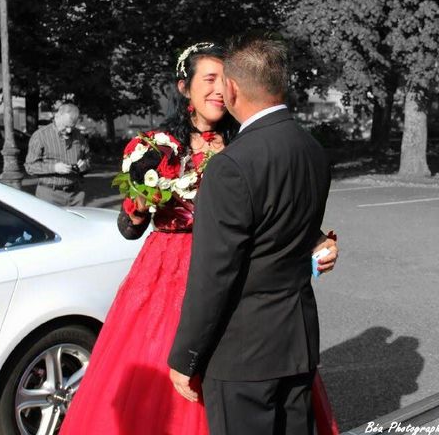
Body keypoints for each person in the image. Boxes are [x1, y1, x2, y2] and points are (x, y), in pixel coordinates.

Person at [60, 42, 339, 435]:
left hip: (233, 285)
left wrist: (318, 241)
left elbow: (279, 210)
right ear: (184, 87)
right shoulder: (156, 149)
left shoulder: (245, 141)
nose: (218, 90)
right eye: (208, 80)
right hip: (166, 280)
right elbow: (129, 229)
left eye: (223, 80)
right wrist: (138, 208)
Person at [168, 32, 333, 435]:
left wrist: (185, 357)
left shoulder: (232, 164)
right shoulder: (313, 149)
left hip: (243, 353)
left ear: (233, 87)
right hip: (297, 342)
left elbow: (214, 275)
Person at [24, 103, 90, 206]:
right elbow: (29, 166)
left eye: (72, 127)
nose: (69, 130)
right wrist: (54, 168)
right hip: (49, 195)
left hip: (76, 196)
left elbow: (88, 160)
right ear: (57, 117)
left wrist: (85, 166)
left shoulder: (79, 137)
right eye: (66, 126)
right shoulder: (40, 136)